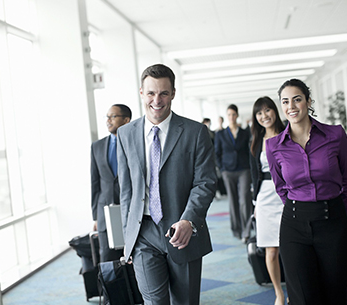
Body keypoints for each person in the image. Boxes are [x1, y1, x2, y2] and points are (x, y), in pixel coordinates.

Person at [117, 64, 217, 305]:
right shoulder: (126, 133)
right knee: (154, 302)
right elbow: (126, 191)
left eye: (163, 93)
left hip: (182, 230)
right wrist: (127, 238)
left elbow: (205, 182)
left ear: (173, 93)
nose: (157, 100)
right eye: (151, 93)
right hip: (143, 232)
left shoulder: (195, 132)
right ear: (141, 92)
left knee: (185, 301)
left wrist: (188, 220)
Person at [266, 79, 347, 305]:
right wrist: (302, 208)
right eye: (285, 101)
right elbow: (280, 186)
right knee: (303, 297)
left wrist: (336, 212)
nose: (291, 106)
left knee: (335, 293)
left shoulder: (335, 135)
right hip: (294, 224)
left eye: (297, 99)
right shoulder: (274, 145)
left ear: (308, 101)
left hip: (333, 222)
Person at [249, 97, 286, 305]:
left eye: (267, 110)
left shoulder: (288, 134)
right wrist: (254, 204)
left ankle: (299, 287)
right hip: (264, 198)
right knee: (271, 250)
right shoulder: (255, 141)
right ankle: (279, 293)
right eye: (259, 113)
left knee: (292, 247)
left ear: (275, 111)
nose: (264, 116)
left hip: (287, 197)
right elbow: (254, 175)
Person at [91, 104, 131, 262]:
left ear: (126, 120)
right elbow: (94, 182)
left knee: (134, 260)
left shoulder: (137, 144)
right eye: (107, 117)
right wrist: (95, 216)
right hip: (105, 213)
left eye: (113, 116)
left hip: (131, 211)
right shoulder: (97, 146)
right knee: (107, 261)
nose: (108, 120)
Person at [215, 104, 253, 242]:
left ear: (237, 116)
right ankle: (236, 229)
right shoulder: (221, 134)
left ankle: (247, 230)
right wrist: (222, 168)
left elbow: (249, 151)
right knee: (233, 201)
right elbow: (217, 153)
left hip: (243, 169)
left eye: (233, 114)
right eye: (229, 115)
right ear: (227, 116)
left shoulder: (244, 132)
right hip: (228, 171)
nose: (231, 117)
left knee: (244, 199)